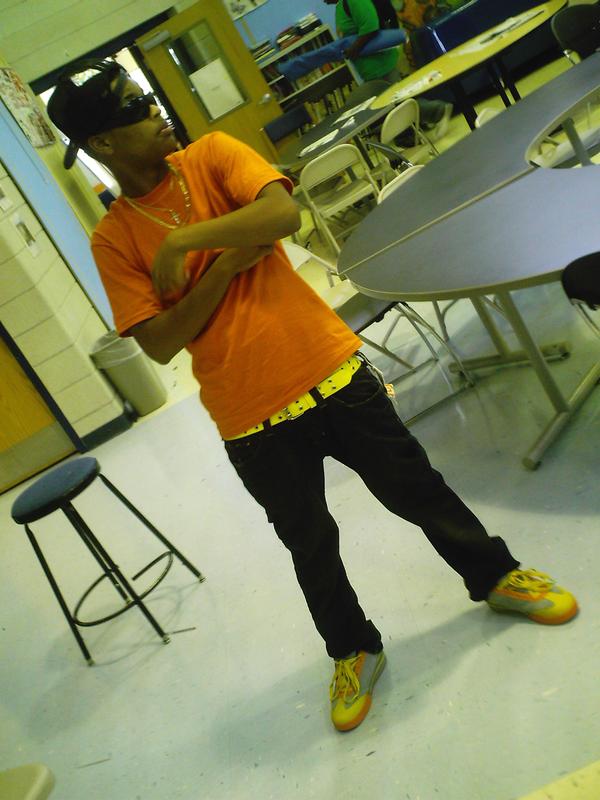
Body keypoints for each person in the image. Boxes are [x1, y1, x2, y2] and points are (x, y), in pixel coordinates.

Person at [47, 59, 578, 734]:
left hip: (330, 372)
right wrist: (228, 263)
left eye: (148, 98)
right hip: (250, 418)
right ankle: (353, 649)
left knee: (418, 489)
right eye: (134, 107)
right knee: (310, 545)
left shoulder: (211, 156)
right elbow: (159, 342)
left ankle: (497, 577)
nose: (154, 112)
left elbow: (281, 213)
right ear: (102, 143)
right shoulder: (114, 240)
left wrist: (186, 241)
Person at [324, 0, 453, 137]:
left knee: (397, 102)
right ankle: (426, 121)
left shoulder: (353, 1)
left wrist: (354, 49)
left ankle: (438, 111)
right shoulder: (339, 8)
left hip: (382, 64)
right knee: (395, 102)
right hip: (370, 69)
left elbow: (371, 27)